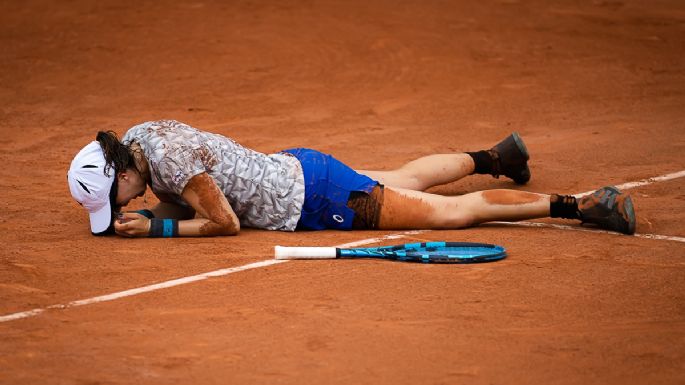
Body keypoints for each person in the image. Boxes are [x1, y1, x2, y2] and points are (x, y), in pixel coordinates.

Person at [67, 120, 636, 238]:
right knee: (407, 177)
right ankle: (497, 156)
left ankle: (583, 206)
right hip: (296, 167)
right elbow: (186, 194)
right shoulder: (139, 137)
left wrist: (160, 229)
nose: (114, 206)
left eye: (110, 199)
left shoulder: (164, 164)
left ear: (117, 170)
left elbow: (224, 222)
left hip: (315, 198)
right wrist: (148, 212)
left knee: (450, 214)